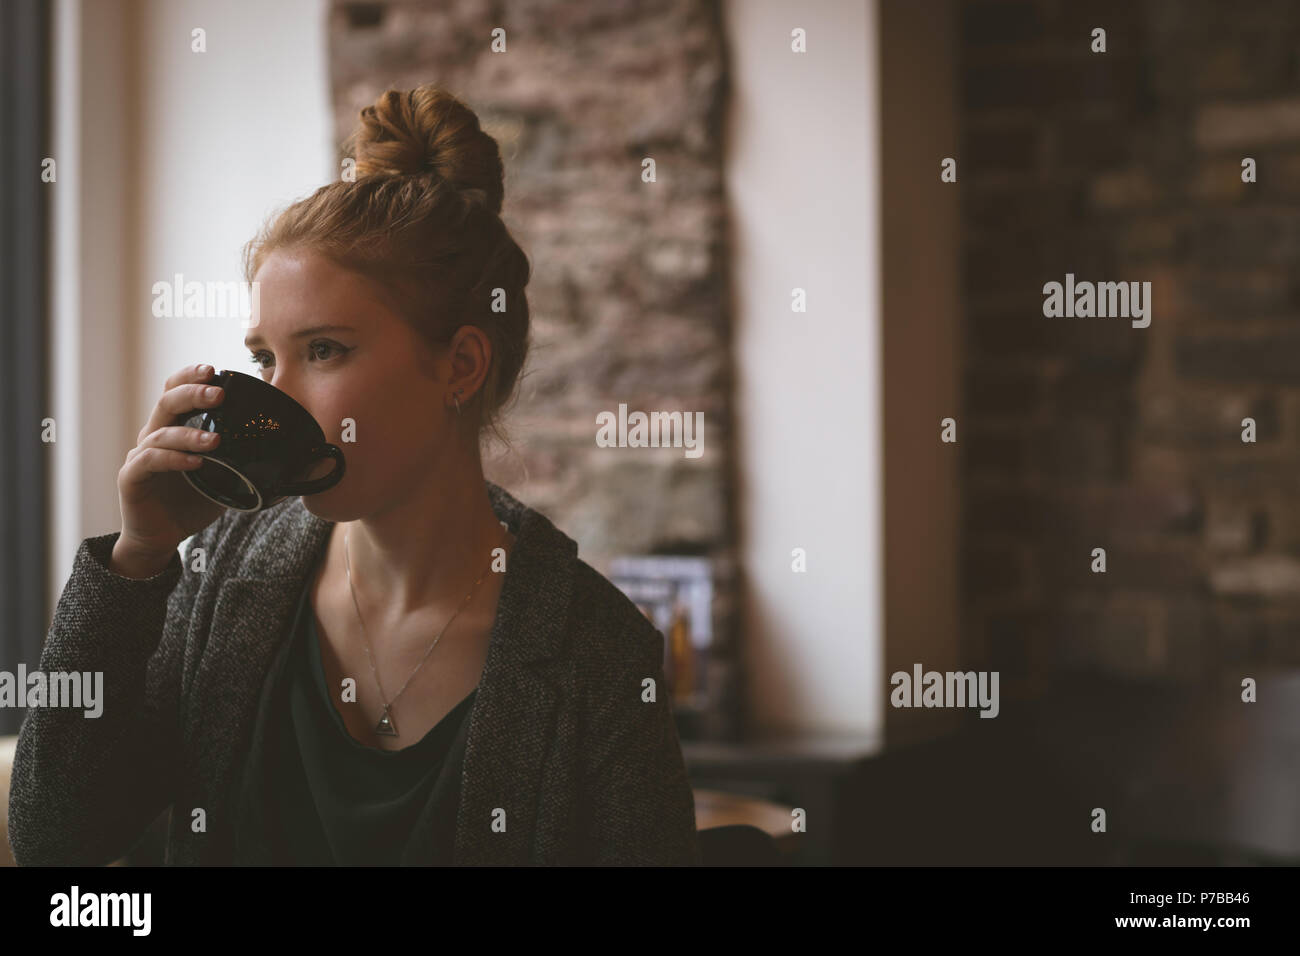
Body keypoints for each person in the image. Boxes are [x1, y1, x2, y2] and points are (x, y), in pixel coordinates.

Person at [7, 85, 702, 866]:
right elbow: (50, 840)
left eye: (326, 351)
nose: (278, 399)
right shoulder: (217, 578)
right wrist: (134, 563)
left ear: (460, 365)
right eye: (266, 358)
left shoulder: (594, 656)